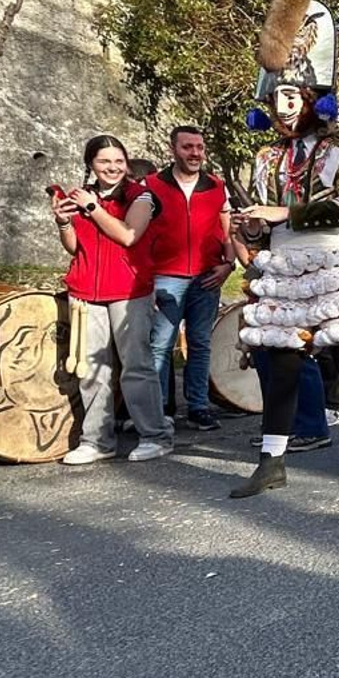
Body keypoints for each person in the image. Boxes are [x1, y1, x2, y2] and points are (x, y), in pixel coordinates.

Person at [227, 0, 339, 498]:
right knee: (282, 368)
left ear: (312, 100)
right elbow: (263, 217)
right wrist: (251, 226)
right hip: (283, 267)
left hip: (333, 262)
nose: (282, 108)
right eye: (276, 100)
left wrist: (283, 213)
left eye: (292, 98)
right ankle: (271, 461)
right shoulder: (263, 158)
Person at [50, 135, 174, 465]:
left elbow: (128, 236)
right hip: (87, 290)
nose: (113, 168)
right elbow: (75, 247)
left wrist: (92, 208)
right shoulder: (81, 195)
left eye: (119, 161)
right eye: (105, 161)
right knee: (90, 369)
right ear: (91, 164)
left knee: (136, 366)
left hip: (129, 290)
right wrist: (64, 221)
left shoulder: (141, 196)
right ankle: (97, 440)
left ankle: (155, 435)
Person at [143, 125, 233, 430]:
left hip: (207, 277)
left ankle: (198, 406)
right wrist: (147, 279)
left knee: (200, 343)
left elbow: (227, 228)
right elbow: (139, 234)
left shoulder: (216, 186)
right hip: (166, 277)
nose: (195, 153)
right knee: (161, 345)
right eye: (187, 147)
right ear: (173, 149)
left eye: (199, 147)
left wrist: (229, 264)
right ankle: (158, 409)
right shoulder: (152, 185)